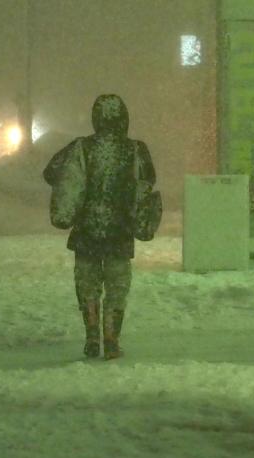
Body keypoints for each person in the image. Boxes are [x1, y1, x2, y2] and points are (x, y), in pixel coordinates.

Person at [43, 94, 157, 360]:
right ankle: (112, 339)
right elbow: (149, 180)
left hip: (86, 230)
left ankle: (92, 335)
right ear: (123, 119)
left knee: (88, 285)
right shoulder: (135, 149)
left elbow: (51, 172)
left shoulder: (80, 147)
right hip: (120, 230)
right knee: (117, 287)